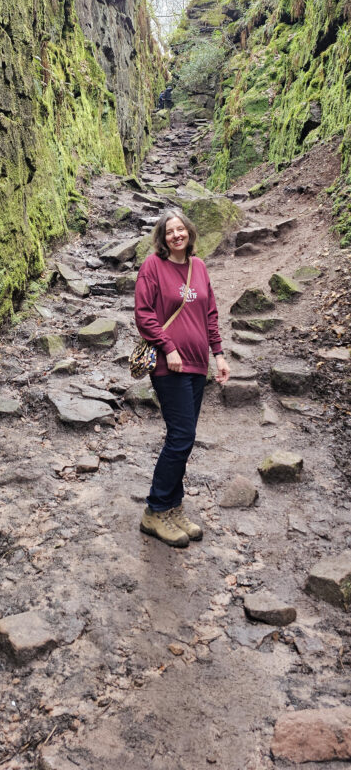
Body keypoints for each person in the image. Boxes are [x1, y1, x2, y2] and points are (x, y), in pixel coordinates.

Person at [134, 208, 230, 548]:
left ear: (189, 232)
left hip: (197, 363)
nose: (177, 235)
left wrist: (218, 354)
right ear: (162, 238)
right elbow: (144, 315)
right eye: (169, 231)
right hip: (168, 365)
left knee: (184, 438)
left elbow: (211, 314)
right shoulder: (152, 267)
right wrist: (168, 347)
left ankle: (172, 506)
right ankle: (155, 510)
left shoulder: (199, 267)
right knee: (180, 436)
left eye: (181, 229)